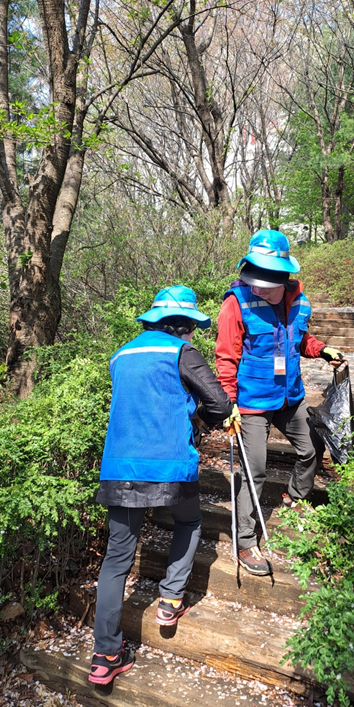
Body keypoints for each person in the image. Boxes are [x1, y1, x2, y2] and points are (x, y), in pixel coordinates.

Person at [88, 285, 234, 686]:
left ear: (153, 320)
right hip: (169, 465)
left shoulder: (121, 355)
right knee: (189, 522)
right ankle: (170, 599)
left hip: (120, 468)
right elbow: (220, 404)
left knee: (116, 559)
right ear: (185, 325)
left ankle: (104, 656)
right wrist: (200, 418)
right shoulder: (182, 352)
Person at [215, 230, 344, 576]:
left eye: (265, 284)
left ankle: (294, 498)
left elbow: (298, 339)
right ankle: (245, 540)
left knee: (311, 449)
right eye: (253, 280)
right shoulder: (236, 303)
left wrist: (321, 349)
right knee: (254, 470)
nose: (257, 288)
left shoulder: (298, 300)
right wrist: (229, 404)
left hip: (289, 397)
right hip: (252, 402)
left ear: (283, 277)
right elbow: (226, 357)